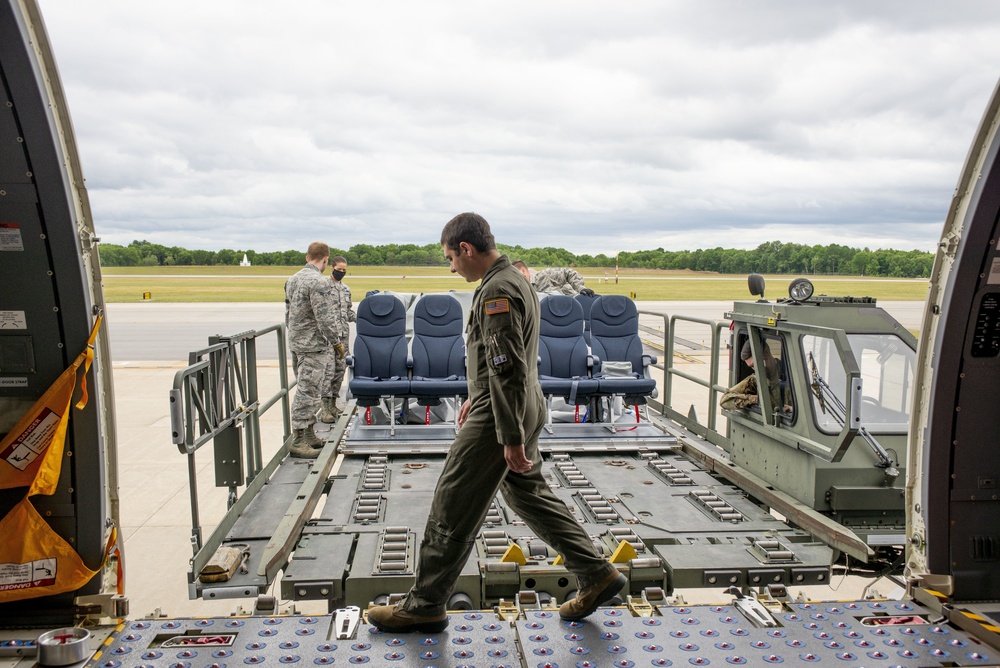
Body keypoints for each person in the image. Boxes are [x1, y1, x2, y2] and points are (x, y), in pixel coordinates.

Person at [367, 213, 625, 633]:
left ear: (466, 249)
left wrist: (508, 435)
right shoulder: (513, 279)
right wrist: (476, 394)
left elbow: (507, 366)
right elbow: (499, 358)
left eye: (451, 258)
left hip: (503, 411)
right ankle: (597, 574)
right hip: (513, 402)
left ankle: (425, 603)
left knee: (453, 502)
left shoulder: (496, 292)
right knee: (528, 495)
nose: (452, 267)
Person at [284, 242, 342, 458]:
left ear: (308, 257)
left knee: (307, 388)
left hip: (297, 343)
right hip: (313, 346)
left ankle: (308, 434)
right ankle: (299, 440)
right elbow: (325, 318)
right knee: (308, 392)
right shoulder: (318, 282)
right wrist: (336, 342)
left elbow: (288, 314)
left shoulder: (292, 279)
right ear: (325, 260)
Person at [318, 255, 355, 422]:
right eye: (339, 269)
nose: (342, 272)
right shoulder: (324, 287)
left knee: (340, 370)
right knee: (328, 371)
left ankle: (333, 403)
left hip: (343, 336)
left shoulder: (345, 289)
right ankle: (325, 408)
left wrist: (362, 317)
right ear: (332, 267)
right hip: (328, 338)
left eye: (344, 270)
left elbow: (348, 312)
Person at [720, 340, 792, 413]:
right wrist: (756, 399)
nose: (754, 369)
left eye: (755, 364)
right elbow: (725, 400)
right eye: (751, 366)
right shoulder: (755, 380)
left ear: (766, 353)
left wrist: (792, 409)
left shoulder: (790, 372)